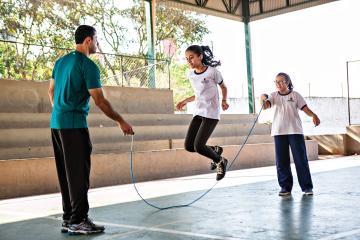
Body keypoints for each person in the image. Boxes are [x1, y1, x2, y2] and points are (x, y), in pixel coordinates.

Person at [48, 25, 134, 235]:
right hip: (74, 125)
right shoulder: (88, 66)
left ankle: (69, 218)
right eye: (96, 39)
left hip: (56, 124)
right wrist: (121, 121)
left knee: (65, 174)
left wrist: (60, 110)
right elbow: (100, 101)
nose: (97, 44)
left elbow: (51, 91)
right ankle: (78, 221)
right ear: (88, 40)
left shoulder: (60, 62)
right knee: (79, 175)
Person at [260, 72, 320, 196]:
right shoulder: (273, 96)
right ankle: (285, 188)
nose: (279, 84)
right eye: (276, 82)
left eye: (282, 81)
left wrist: (314, 115)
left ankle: (307, 187)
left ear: (288, 82)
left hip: (295, 131)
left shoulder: (295, 95)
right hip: (279, 132)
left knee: (301, 160)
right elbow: (265, 106)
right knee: (281, 161)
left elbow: (305, 109)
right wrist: (262, 97)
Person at [176, 45, 229, 181]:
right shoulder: (191, 74)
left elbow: (223, 87)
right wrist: (185, 101)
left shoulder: (212, 72)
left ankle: (220, 161)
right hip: (198, 112)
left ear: (200, 56)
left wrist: (224, 100)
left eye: (192, 57)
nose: (189, 61)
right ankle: (215, 150)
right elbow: (198, 94)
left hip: (211, 113)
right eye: (187, 59)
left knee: (199, 146)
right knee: (189, 146)